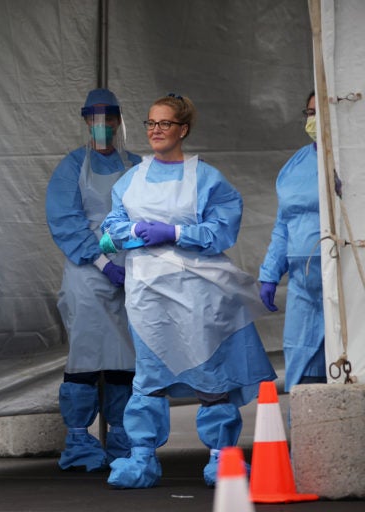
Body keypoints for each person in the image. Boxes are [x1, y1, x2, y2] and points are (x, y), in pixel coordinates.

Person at [100, 93, 276, 488]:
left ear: (183, 129)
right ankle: (142, 456)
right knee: (149, 372)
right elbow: (112, 225)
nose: (155, 131)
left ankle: (221, 458)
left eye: (164, 124)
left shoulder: (207, 178)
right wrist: (128, 233)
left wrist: (174, 232)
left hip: (199, 291)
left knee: (210, 371)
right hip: (147, 291)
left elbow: (222, 229)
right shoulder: (131, 179)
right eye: (150, 123)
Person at [45, 88, 139, 472]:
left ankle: (122, 435)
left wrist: (131, 264)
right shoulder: (72, 167)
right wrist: (103, 262)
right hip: (87, 274)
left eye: (108, 118)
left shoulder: (135, 166)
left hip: (131, 274)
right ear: (85, 120)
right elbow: (65, 223)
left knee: (125, 359)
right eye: (94, 118)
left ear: (118, 120)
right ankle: (80, 441)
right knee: (85, 356)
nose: (102, 125)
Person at [259, 91, 326, 391]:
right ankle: (306, 435)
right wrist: (270, 273)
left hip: (346, 284)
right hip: (304, 285)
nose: (313, 119)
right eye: (309, 112)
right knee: (302, 361)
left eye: (320, 111)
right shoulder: (294, 166)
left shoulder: (353, 160)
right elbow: (284, 224)